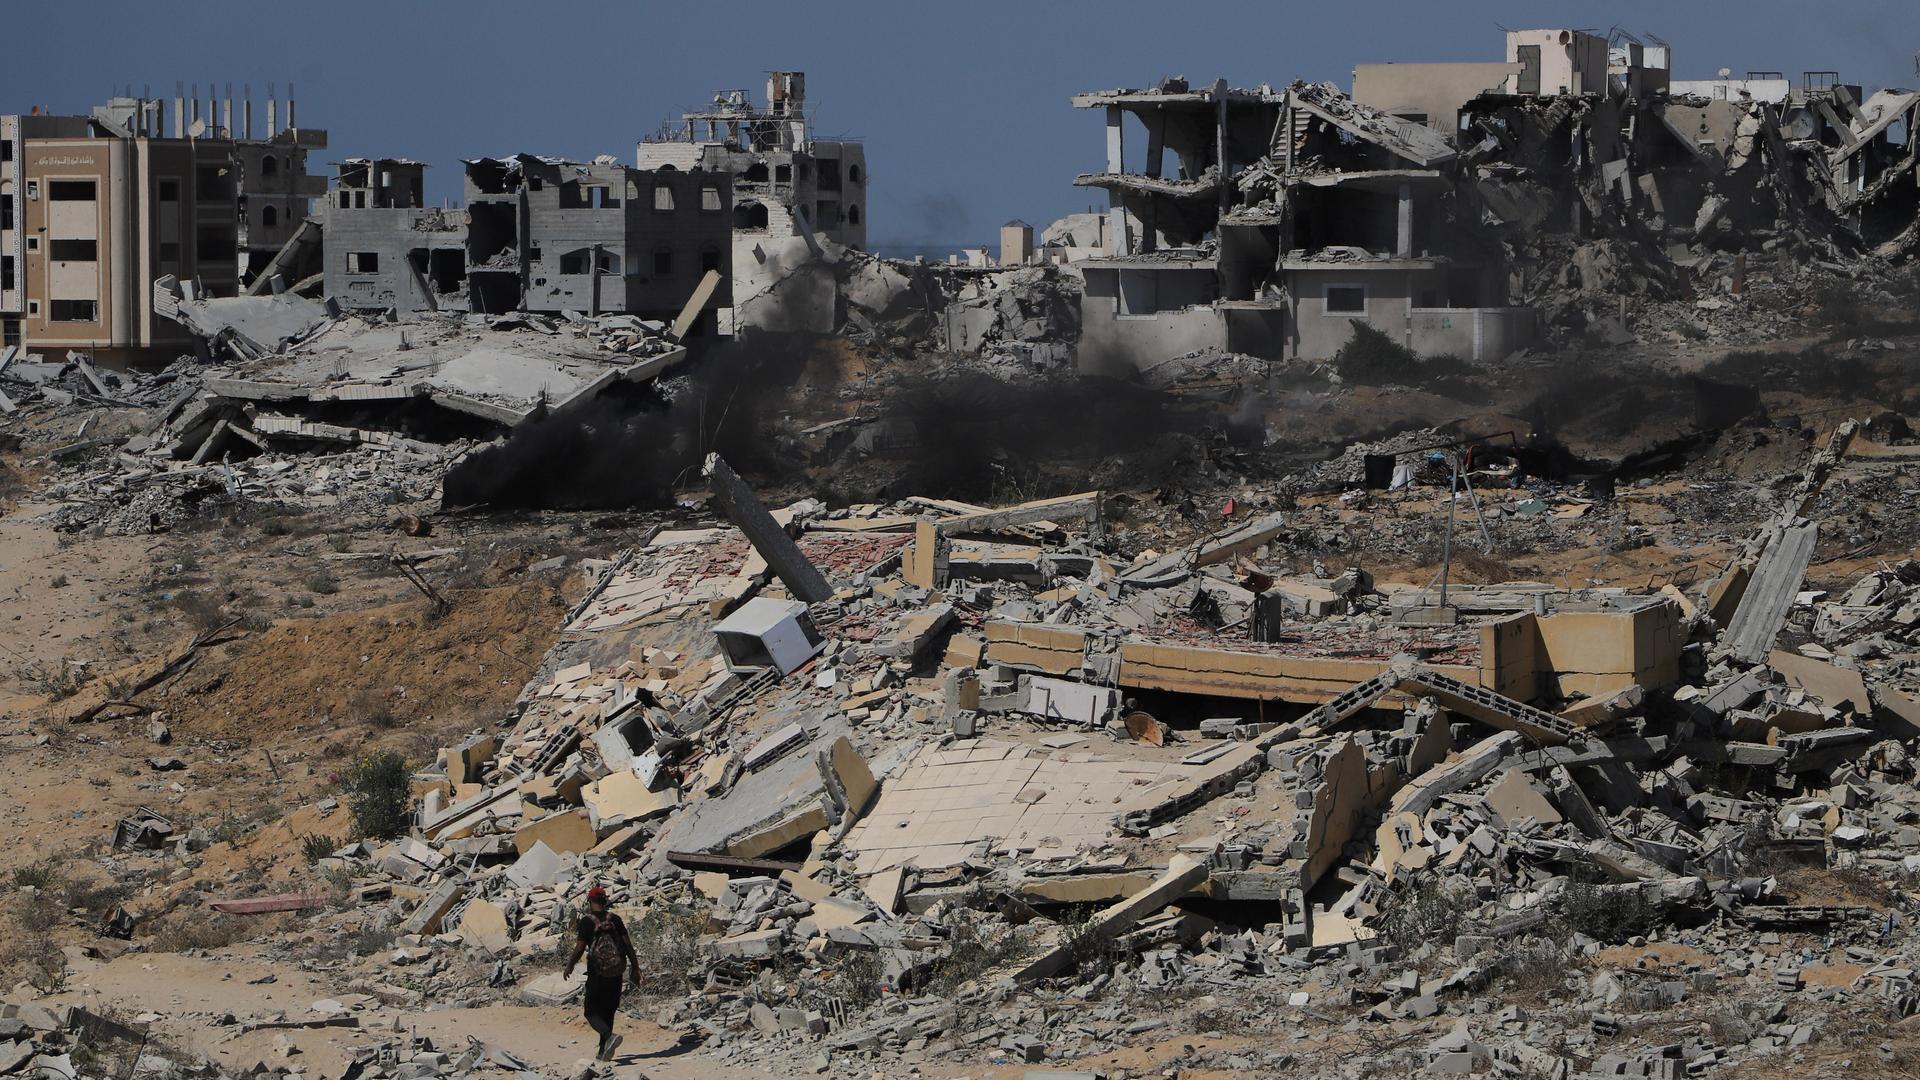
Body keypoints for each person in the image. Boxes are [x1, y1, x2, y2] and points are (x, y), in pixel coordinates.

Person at [562, 885, 641, 1062]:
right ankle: (603, 1051)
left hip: (597, 972)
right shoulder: (616, 919)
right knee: (609, 1010)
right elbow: (628, 945)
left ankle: (608, 1037)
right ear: (604, 900)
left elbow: (580, 947)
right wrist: (635, 967)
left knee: (590, 1011)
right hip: (616, 971)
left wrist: (570, 965)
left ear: (590, 901)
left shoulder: (586, 921)